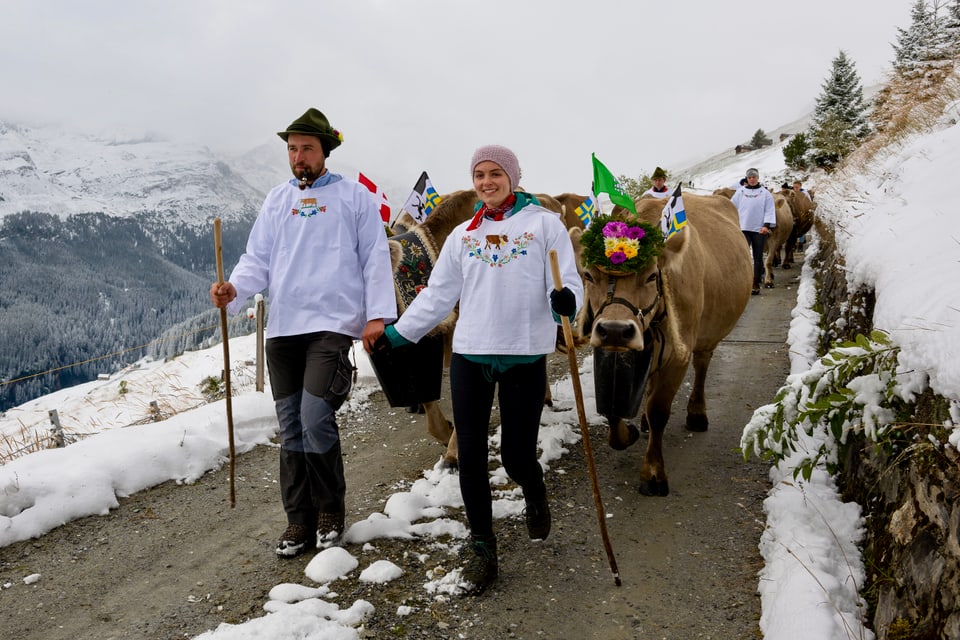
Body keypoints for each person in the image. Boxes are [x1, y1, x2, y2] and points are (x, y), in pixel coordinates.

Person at [378, 145, 583, 595]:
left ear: (512, 176)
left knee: (515, 456)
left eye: (495, 173)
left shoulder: (543, 226)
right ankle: (482, 547)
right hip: (471, 356)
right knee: (469, 457)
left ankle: (533, 487)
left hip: (523, 356)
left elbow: (568, 281)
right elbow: (436, 294)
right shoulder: (463, 236)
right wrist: (400, 333)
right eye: (479, 175)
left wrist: (568, 302)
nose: (487, 182)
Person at [209, 108, 397, 558]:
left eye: (306, 148)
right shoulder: (277, 200)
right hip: (285, 327)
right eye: (292, 149)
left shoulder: (354, 198)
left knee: (315, 416)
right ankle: (299, 520)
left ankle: (330, 508)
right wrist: (234, 289)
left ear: (324, 151)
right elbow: (258, 259)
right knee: (291, 425)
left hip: (332, 325)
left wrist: (377, 316)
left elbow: (374, 257)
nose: (298, 156)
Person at [732, 167, 776, 295]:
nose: (752, 179)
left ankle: (755, 282)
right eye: (750, 177)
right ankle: (742, 281)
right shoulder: (740, 192)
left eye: (754, 177)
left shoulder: (765, 193)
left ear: (758, 178)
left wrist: (766, 225)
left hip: (759, 229)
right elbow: (732, 207)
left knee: (757, 257)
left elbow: (769, 210)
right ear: (747, 178)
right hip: (743, 228)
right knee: (743, 256)